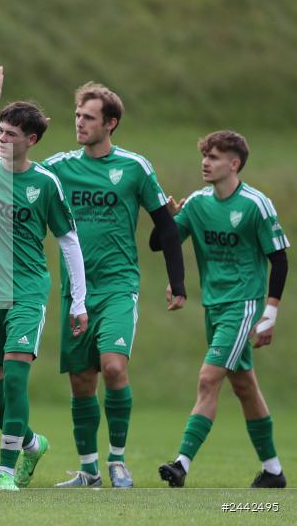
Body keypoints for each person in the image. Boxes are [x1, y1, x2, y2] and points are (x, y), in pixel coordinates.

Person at [42, 82, 186, 488]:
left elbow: (167, 227)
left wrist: (178, 284)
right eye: (77, 116)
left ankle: (117, 461)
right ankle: (88, 470)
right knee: (82, 380)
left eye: (88, 117)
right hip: (77, 292)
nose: (80, 123)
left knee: (113, 367)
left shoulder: (135, 168)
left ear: (111, 123)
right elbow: (24, 186)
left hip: (120, 285)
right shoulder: (59, 167)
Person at [0, 71, 88, 490]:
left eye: (13, 134)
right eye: (2, 131)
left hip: (29, 289)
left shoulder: (45, 183)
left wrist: (79, 301)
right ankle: (32, 443)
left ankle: (4, 470)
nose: (4, 138)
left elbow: (68, 241)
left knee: (15, 376)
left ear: (31, 140)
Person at [156, 130, 288, 488]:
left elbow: (279, 261)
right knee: (244, 387)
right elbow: (159, 244)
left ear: (234, 163)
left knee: (207, 378)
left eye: (213, 157)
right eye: (204, 156)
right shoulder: (198, 203)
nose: (205, 162)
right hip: (213, 307)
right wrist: (168, 218)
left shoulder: (256, 205)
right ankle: (274, 471)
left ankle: (181, 463)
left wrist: (269, 313)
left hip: (243, 305)